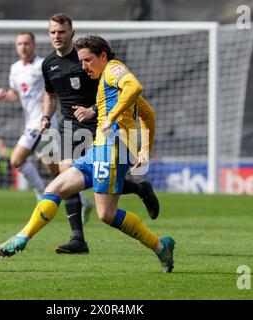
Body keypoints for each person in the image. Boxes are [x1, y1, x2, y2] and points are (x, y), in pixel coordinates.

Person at [0, 35, 175, 273]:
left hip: (112, 149)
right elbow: (148, 113)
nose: (84, 66)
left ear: (103, 55)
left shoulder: (114, 69)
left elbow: (135, 86)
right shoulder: (108, 81)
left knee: (106, 214)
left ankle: (159, 246)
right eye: (81, 61)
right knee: (54, 189)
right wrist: (144, 150)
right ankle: (22, 237)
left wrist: (112, 119)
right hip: (98, 149)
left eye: (88, 60)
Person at [39, 13, 160, 254]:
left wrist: (94, 111)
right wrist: (45, 117)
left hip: (99, 124)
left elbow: (113, 92)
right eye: (52, 32)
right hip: (69, 125)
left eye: (61, 32)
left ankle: (139, 189)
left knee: (95, 184)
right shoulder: (49, 64)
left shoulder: (88, 59)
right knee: (65, 171)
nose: (56, 36)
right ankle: (77, 237)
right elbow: (50, 95)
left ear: (71, 33)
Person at [0, 32, 60, 200]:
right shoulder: (15, 68)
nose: (23, 47)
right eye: (20, 44)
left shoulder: (42, 65)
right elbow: (16, 94)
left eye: (26, 43)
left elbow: (54, 91)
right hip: (31, 123)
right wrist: (4, 95)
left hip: (43, 123)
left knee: (16, 160)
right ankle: (83, 201)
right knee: (54, 170)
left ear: (34, 45)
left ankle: (41, 194)